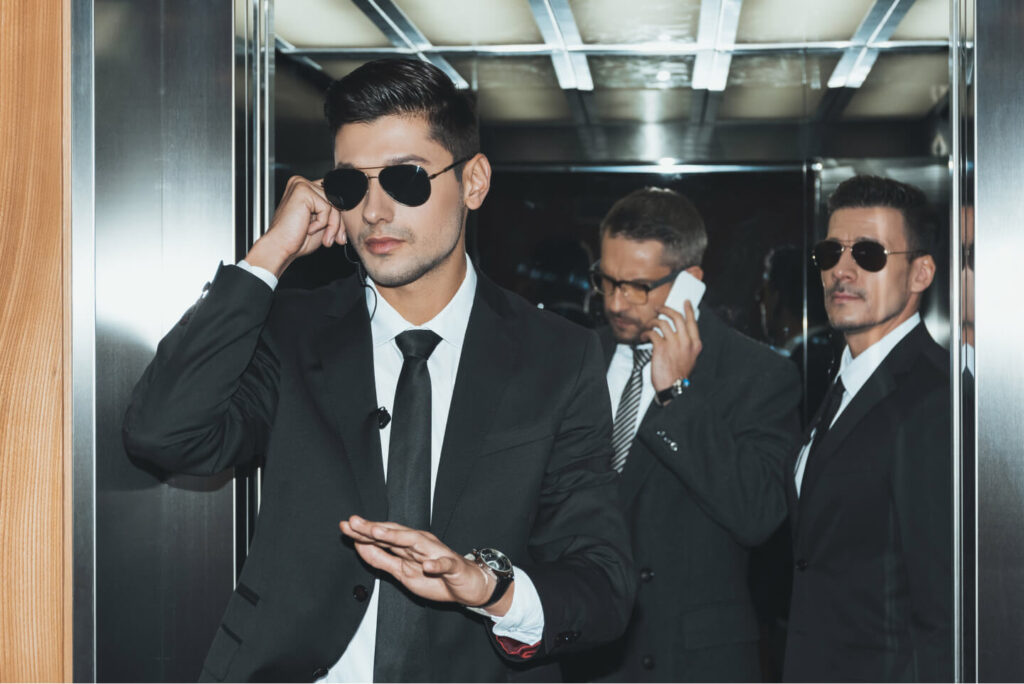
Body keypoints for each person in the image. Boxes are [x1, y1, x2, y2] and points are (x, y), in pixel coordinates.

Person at [122, 58, 634, 683]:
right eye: (350, 185)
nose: (374, 211)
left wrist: (490, 588)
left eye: (405, 179)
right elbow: (163, 433)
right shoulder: (291, 331)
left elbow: (602, 584)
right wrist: (268, 257)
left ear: (473, 182)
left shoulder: (558, 357)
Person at [564, 187, 801, 682]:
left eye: (637, 287)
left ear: (689, 283)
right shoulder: (575, 359)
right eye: (606, 281)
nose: (615, 302)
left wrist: (675, 396)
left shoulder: (756, 373)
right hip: (587, 657)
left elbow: (759, 514)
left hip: (691, 663)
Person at [784, 175, 952, 682]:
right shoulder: (843, 382)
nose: (842, 269)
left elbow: (941, 610)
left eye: (869, 253)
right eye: (830, 252)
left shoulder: (934, 397)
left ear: (921, 272)